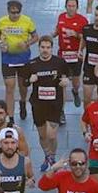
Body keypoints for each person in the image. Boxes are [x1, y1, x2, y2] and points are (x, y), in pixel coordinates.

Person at [23, 37, 69, 170]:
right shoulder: (32, 64)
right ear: (39, 48)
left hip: (55, 103)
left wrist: (65, 81)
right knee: (43, 135)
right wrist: (30, 80)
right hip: (38, 104)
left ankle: (52, 156)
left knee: (52, 135)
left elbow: (66, 76)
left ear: (52, 48)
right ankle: (47, 156)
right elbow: (24, 82)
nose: (45, 50)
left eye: (48, 47)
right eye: (42, 47)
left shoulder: (59, 62)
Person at [0, 0, 37, 122]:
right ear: (8, 11)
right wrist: (0, 43)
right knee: (9, 87)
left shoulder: (27, 21)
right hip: (7, 58)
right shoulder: (2, 21)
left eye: (17, 13)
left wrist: (27, 43)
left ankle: (23, 102)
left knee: (23, 86)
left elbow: (36, 36)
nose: (15, 15)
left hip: (23, 58)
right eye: (12, 13)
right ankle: (11, 117)